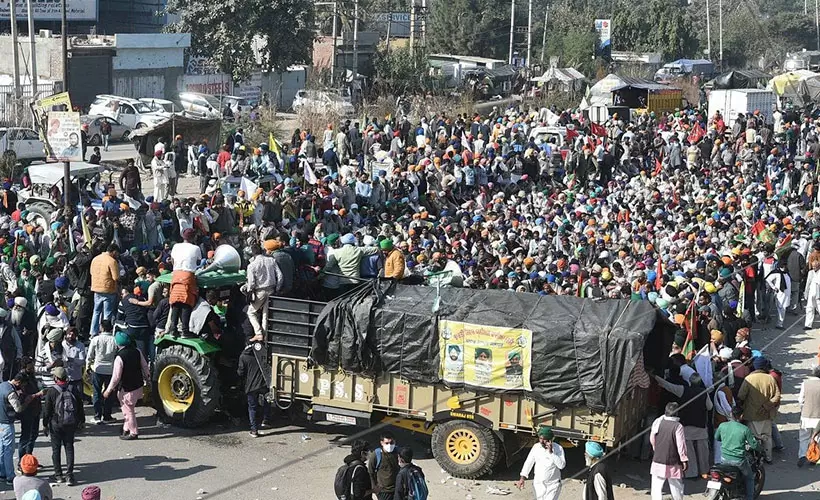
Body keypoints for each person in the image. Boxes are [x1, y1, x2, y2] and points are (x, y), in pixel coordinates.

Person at [103, 332, 149, 440]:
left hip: (126, 389)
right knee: (128, 409)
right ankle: (125, 429)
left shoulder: (120, 357)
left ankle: (133, 432)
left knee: (128, 410)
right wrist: (148, 379)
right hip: (138, 386)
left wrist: (108, 390)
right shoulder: (137, 351)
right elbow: (145, 366)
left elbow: (116, 377)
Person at [41, 367, 82, 485]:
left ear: (56, 378)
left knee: (56, 449)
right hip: (71, 423)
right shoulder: (72, 388)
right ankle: (70, 475)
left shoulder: (52, 391)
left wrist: (45, 424)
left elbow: (47, 410)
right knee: (69, 448)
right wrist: (81, 421)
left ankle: (58, 475)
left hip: (56, 424)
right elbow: (79, 406)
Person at [738, 356, 781, 463]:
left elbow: (741, 395)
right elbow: (777, 396)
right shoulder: (770, 378)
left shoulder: (749, 379)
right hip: (766, 414)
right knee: (767, 437)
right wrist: (766, 406)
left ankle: (756, 459)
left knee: (753, 438)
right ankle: (768, 457)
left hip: (751, 414)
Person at [0, 371, 38, 484]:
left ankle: (2, 473)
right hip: (7, 423)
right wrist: (26, 401)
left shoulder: (2, 385)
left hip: (0, 421)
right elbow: (18, 408)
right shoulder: (10, 392)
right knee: (8, 450)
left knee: (1, 449)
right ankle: (10, 476)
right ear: (18, 382)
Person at [714, 406, 759, 500]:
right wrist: (761, 448)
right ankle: (749, 498)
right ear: (741, 416)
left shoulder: (722, 425)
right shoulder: (744, 429)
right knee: (749, 478)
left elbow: (717, 438)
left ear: (731, 414)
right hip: (739, 461)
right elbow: (754, 445)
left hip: (724, 459)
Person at [649, 403, 688, 500]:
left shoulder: (658, 422)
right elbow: (681, 445)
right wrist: (684, 459)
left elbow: (652, 438)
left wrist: (656, 449)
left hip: (658, 459)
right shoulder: (678, 426)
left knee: (656, 487)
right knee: (676, 486)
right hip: (673, 461)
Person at [167, 228, 201, 338]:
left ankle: (173, 329)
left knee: (176, 301)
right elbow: (199, 262)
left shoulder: (176, 246)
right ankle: (185, 331)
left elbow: (172, 260)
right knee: (186, 302)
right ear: (193, 237)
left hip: (176, 275)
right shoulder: (196, 248)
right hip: (188, 276)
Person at [515, 426, 566, 500]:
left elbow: (561, 465)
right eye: (540, 438)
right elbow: (529, 462)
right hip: (539, 483)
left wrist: (551, 453)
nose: (542, 441)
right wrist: (522, 478)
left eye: (544, 439)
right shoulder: (536, 447)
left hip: (553, 484)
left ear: (550, 440)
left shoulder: (558, 448)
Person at [245, 242, 282, 341]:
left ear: (253, 254)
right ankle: (264, 337)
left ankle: (258, 333)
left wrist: (249, 292)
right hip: (271, 290)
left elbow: (251, 283)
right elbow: (280, 276)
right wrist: (277, 289)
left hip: (260, 291)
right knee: (266, 314)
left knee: (251, 312)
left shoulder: (252, 265)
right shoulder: (271, 260)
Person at [237, 337, 272, 437]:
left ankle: (254, 430)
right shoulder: (262, 354)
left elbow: (240, 372)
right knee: (267, 401)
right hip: (264, 384)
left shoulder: (243, 357)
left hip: (251, 386)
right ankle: (266, 420)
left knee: (252, 408)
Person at [86, 320, 117, 424]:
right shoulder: (114, 340)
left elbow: (90, 355)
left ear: (101, 328)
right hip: (111, 369)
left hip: (98, 368)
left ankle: (97, 416)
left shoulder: (96, 339)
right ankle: (107, 415)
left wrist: (87, 366)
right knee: (109, 392)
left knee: (96, 392)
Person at [89, 244, 120, 337]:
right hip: (108, 290)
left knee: (96, 311)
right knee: (107, 313)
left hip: (96, 288)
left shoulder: (95, 259)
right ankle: (105, 331)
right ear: (114, 251)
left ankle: (93, 332)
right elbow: (116, 277)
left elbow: (91, 272)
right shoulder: (112, 261)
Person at [16, 358, 40, 471]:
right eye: (30, 367)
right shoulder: (21, 377)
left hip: (35, 410)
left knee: (33, 436)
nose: (33, 368)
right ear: (25, 367)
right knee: (25, 438)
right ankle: (21, 463)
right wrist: (37, 394)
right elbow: (23, 396)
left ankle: (29, 460)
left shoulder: (31, 375)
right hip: (27, 412)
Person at [798, 365, 820, 467]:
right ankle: (815, 457)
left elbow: (800, 400)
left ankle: (802, 455)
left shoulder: (805, 383)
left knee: (803, 437)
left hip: (806, 416)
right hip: (818, 417)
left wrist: (803, 408)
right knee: (817, 437)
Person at [368, 431, 400, 500]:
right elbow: (370, 472)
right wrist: (375, 488)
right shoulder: (376, 455)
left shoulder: (398, 453)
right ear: (381, 443)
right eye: (387, 443)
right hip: (383, 492)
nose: (389, 445)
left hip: (397, 489)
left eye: (391, 443)